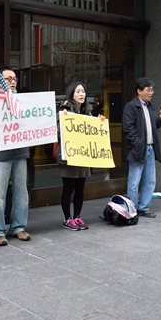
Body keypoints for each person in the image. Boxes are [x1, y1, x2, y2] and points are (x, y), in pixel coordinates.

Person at [0, 67, 31, 246]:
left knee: (21, 193)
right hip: (1, 154)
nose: (12, 81)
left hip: (20, 152)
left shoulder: (24, 101)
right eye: (8, 79)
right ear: (0, 82)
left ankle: (18, 227)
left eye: (14, 78)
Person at [57, 82, 103, 230]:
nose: (82, 94)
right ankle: (67, 218)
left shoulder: (87, 110)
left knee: (80, 188)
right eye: (78, 91)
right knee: (68, 188)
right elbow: (58, 131)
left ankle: (77, 216)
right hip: (69, 156)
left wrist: (99, 122)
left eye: (83, 91)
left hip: (83, 156)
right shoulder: (64, 108)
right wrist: (63, 119)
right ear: (72, 94)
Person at [122, 78, 161, 218]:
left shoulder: (150, 107)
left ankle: (144, 207)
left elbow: (153, 127)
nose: (151, 93)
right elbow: (128, 128)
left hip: (150, 149)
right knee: (134, 181)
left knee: (150, 180)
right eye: (148, 90)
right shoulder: (131, 107)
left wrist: (160, 118)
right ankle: (132, 208)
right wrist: (138, 144)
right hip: (138, 150)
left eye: (152, 90)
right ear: (139, 91)